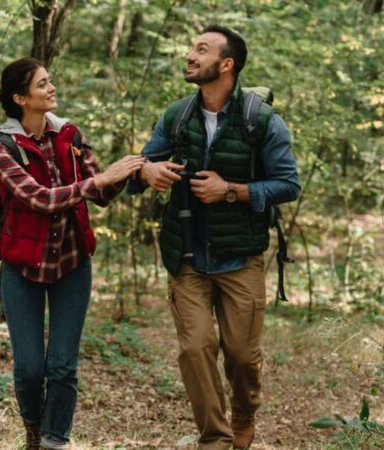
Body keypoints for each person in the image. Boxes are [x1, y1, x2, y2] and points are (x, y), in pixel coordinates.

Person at [128, 26, 300, 449]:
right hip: (185, 256)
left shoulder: (261, 121)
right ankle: (216, 439)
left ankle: (243, 414)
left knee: (242, 356)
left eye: (201, 50)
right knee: (196, 348)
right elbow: (135, 172)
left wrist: (233, 190)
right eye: (191, 48)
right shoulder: (177, 115)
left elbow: (289, 185)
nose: (189, 55)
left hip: (240, 256)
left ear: (227, 64)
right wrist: (145, 171)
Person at [0, 57, 143, 450]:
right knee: (28, 369)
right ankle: (34, 430)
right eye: (43, 85)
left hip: (72, 264)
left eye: (50, 81)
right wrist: (99, 181)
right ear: (20, 98)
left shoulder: (70, 135)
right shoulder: (0, 149)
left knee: (62, 366)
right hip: (22, 267)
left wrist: (129, 170)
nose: (52, 88)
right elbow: (39, 199)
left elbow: (102, 192)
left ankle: (55, 441)